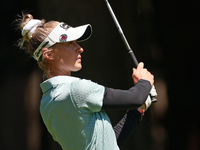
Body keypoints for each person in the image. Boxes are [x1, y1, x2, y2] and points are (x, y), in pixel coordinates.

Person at [16, 13, 157, 150]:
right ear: (49, 54)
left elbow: (106, 144)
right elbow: (135, 97)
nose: (80, 48)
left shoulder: (46, 103)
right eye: (70, 43)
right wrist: (144, 82)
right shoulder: (76, 89)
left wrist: (138, 110)